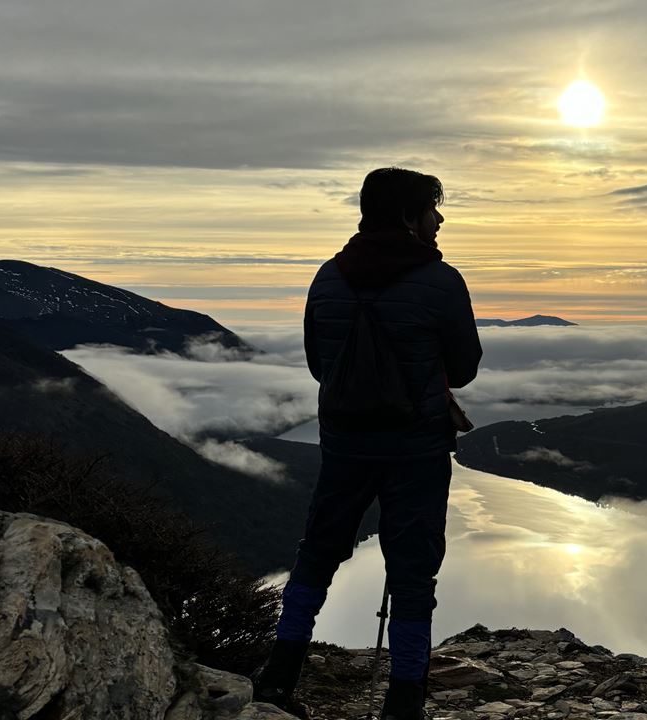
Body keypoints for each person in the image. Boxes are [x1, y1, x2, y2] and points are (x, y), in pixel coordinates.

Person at [254, 167, 482, 719]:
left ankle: (279, 676)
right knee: (412, 574)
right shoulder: (442, 280)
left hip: (345, 446)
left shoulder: (328, 278)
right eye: (433, 207)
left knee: (317, 555)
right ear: (409, 215)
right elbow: (465, 368)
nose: (440, 218)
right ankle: (404, 702)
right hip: (417, 450)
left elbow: (318, 365)